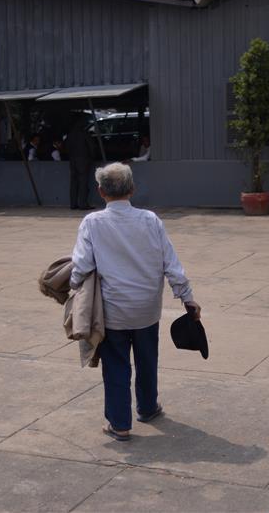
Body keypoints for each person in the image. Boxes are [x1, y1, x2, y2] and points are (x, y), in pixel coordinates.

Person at [70, 162, 200, 442]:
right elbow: (172, 265)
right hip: (147, 309)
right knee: (147, 359)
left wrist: (71, 288)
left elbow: (81, 266)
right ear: (132, 189)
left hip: (113, 310)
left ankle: (119, 425)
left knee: (116, 365)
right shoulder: (150, 220)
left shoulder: (92, 223)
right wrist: (188, 299)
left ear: (101, 191)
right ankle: (148, 407)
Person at [65, 115, 93, 210]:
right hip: (83, 160)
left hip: (72, 161)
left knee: (73, 183)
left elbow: (66, 147)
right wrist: (92, 157)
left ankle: (73, 204)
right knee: (83, 183)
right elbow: (91, 147)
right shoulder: (84, 134)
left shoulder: (70, 134)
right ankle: (83, 204)